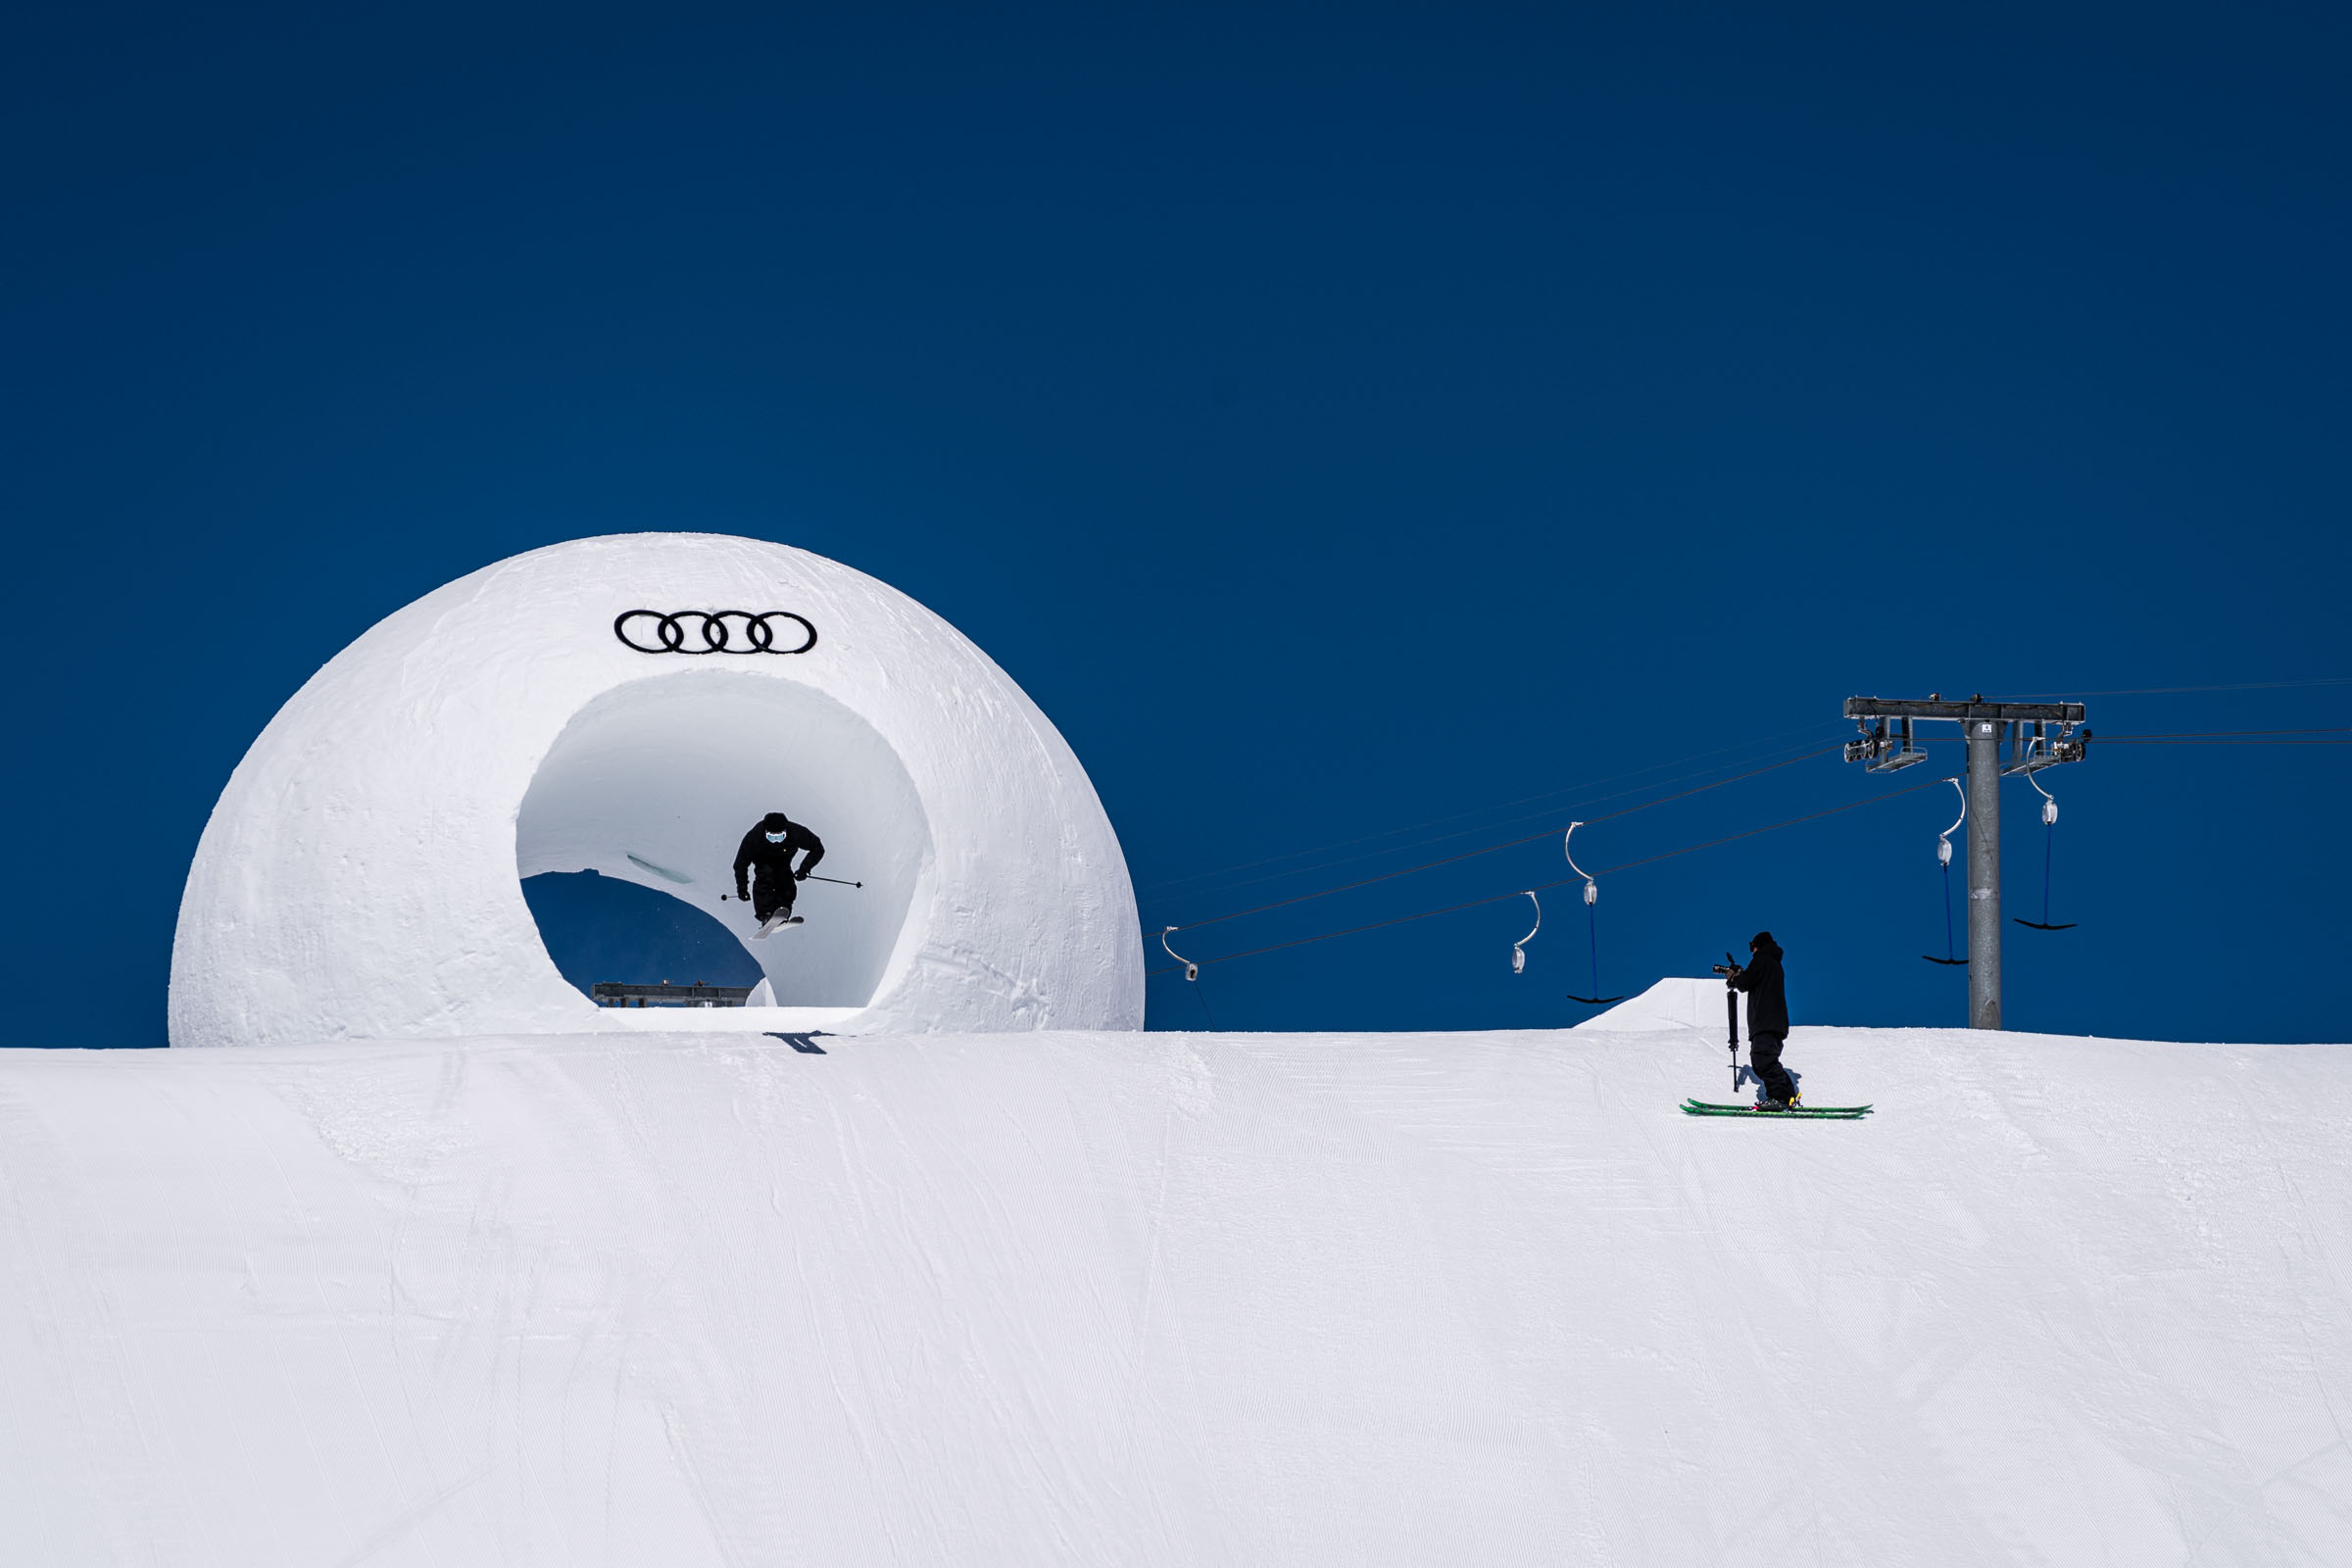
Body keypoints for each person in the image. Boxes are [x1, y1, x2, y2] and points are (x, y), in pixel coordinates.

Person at [1728, 930, 1799, 1108]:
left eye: (1752, 947)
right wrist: (1741, 975)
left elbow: (1745, 983)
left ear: (1758, 946)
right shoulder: (1773, 964)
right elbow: (1753, 978)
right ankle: (1788, 1096)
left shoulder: (1762, 960)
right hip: (1775, 1023)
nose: (1752, 951)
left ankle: (1779, 1098)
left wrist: (1734, 978)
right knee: (1766, 1060)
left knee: (1762, 1059)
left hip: (1765, 1022)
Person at [733, 811, 825, 930]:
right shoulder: (754, 837)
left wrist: (804, 869)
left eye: (780, 837)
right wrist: (742, 888)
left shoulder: (796, 833)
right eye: (772, 837)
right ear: (765, 832)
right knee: (766, 874)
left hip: (784, 859)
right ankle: (765, 914)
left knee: (785, 878)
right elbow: (740, 864)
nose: (776, 841)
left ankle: (782, 913)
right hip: (762, 858)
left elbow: (817, 848)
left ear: (786, 831)